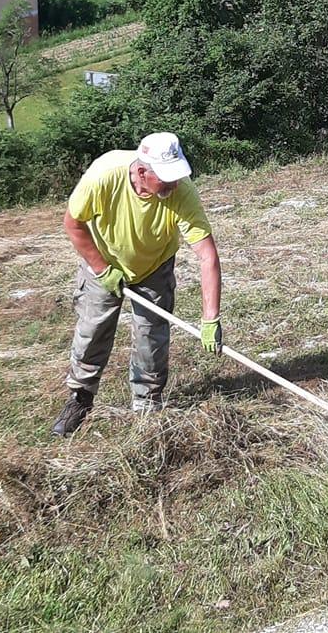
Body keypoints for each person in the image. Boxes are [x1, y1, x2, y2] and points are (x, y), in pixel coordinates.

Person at [52, 132, 223, 437]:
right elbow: (73, 223)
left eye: (176, 176)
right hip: (103, 261)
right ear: (143, 172)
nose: (173, 185)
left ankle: (147, 408)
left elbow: (207, 255)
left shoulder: (181, 192)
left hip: (154, 266)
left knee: (151, 339)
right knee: (93, 330)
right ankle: (80, 398)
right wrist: (103, 269)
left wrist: (211, 318)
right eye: (166, 178)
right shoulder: (104, 176)